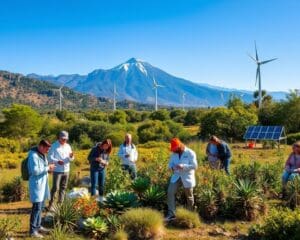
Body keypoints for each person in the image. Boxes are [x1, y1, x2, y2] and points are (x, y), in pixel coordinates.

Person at [165, 138, 198, 221]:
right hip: (176, 176)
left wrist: (183, 166)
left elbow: (195, 166)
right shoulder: (174, 154)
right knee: (170, 192)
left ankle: (190, 215)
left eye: (175, 148)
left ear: (179, 146)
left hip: (187, 177)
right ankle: (171, 214)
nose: (174, 150)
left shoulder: (190, 152)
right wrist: (173, 167)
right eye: (173, 149)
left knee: (189, 196)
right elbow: (170, 165)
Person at [28, 140, 55, 238]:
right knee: (36, 208)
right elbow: (35, 171)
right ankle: (32, 231)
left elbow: (44, 168)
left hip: (42, 185)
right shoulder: (33, 155)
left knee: (41, 207)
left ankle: (38, 226)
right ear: (41, 146)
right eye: (46, 149)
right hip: (37, 185)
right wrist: (48, 167)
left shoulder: (41, 154)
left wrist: (49, 169)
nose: (47, 151)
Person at [48, 131, 74, 210]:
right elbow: (49, 157)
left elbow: (71, 158)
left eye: (66, 139)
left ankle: (60, 204)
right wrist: (57, 161)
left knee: (63, 187)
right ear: (59, 137)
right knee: (55, 187)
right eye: (63, 139)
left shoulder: (68, 146)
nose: (64, 141)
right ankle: (51, 204)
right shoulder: (54, 146)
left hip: (66, 170)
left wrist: (71, 157)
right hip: (57, 170)